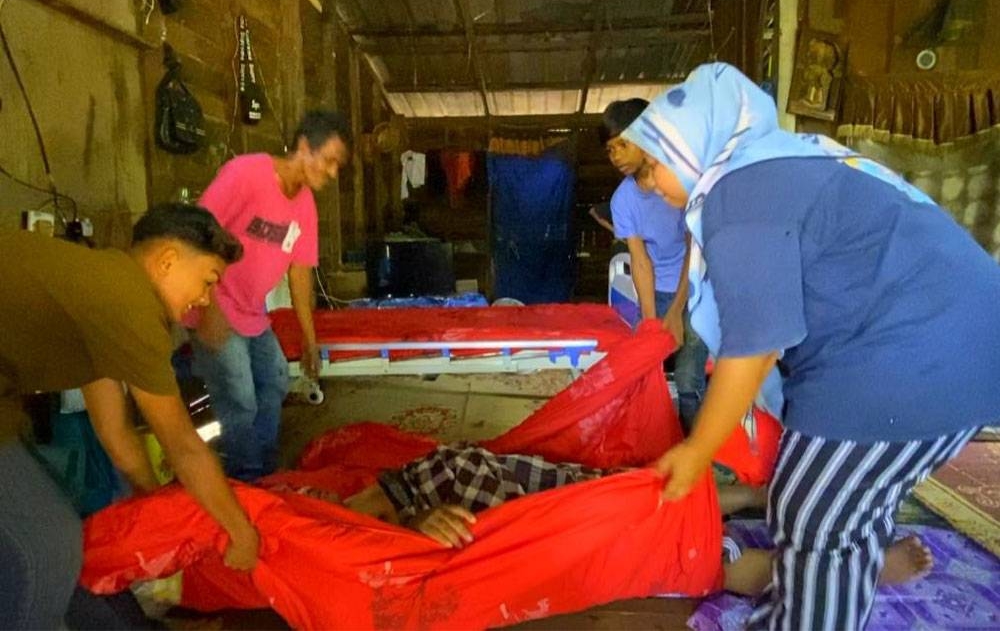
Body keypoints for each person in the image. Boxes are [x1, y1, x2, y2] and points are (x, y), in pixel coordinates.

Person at [622, 62, 1000, 630]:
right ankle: (834, 587)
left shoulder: (738, 194)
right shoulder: (776, 166)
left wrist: (699, 449)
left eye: (652, 166)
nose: (649, 184)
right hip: (960, 348)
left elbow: (756, 344)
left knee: (814, 508)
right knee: (840, 503)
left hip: (909, 356)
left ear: (691, 145)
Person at [0, 204, 260, 629]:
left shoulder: (105, 286)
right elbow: (183, 446)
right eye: (208, 280)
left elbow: (116, 433)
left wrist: (156, 505)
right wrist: (242, 532)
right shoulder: (132, 304)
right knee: (44, 551)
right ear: (168, 261)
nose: (204, 299)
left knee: (55, 543)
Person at [282, 444, 933, 599]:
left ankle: (760, 499)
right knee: (702, 562)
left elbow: (359, 522)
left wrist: (414, 513)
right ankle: (862, 569)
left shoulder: (414, 482)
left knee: (657, 495)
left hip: (561, 498)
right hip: (558, 525)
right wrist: (416, 519)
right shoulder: (384, 531)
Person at [191, 110, 351, 481]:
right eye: (329, 160)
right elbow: (197, 231)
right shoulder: (246, 174)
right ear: (304, 146)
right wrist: (207, 308)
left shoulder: (305, 207)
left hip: (251, 312)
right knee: (240, 398)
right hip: (214, 303)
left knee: (276, 379)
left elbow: (300, 273)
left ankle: (261, 468)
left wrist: (309, 339)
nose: (332, 173)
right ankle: (246, 477)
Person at [601, 99, 710, 431]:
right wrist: (651, 321)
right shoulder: (623, 200)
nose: (615, 155)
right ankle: (656, 439)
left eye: (623, 144)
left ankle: (696, 445)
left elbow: (694, 249)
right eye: (610, 149)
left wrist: (676, 312)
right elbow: (640, 261)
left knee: (688, 378)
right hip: (658, 290)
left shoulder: (679, 183)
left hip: (696, 290)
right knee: (647, 369)